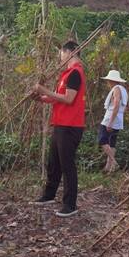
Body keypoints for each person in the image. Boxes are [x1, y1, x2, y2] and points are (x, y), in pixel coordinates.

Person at [32, 41, 87, 218]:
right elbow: (58, 98)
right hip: (60, 123)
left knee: (67, 164)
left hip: (70, 126)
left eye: (61, 53)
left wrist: (44, 89)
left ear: (70, 52)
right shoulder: (66, 74)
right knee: (54, 162)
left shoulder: (76, 73)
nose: (60, 57)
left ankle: (70, 204)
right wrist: (42, 97)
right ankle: (48, 195)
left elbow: (69, 99)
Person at [99, 69, 128, 173]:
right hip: (119, 118)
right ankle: (109, 167)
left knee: (102, 139)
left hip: (111, 117)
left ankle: (114, 162)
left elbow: (116, 105)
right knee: (112, 142)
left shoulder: (116, 89)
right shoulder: (123, 90)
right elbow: (124, 107)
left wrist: (110, 122)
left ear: (111, 80)